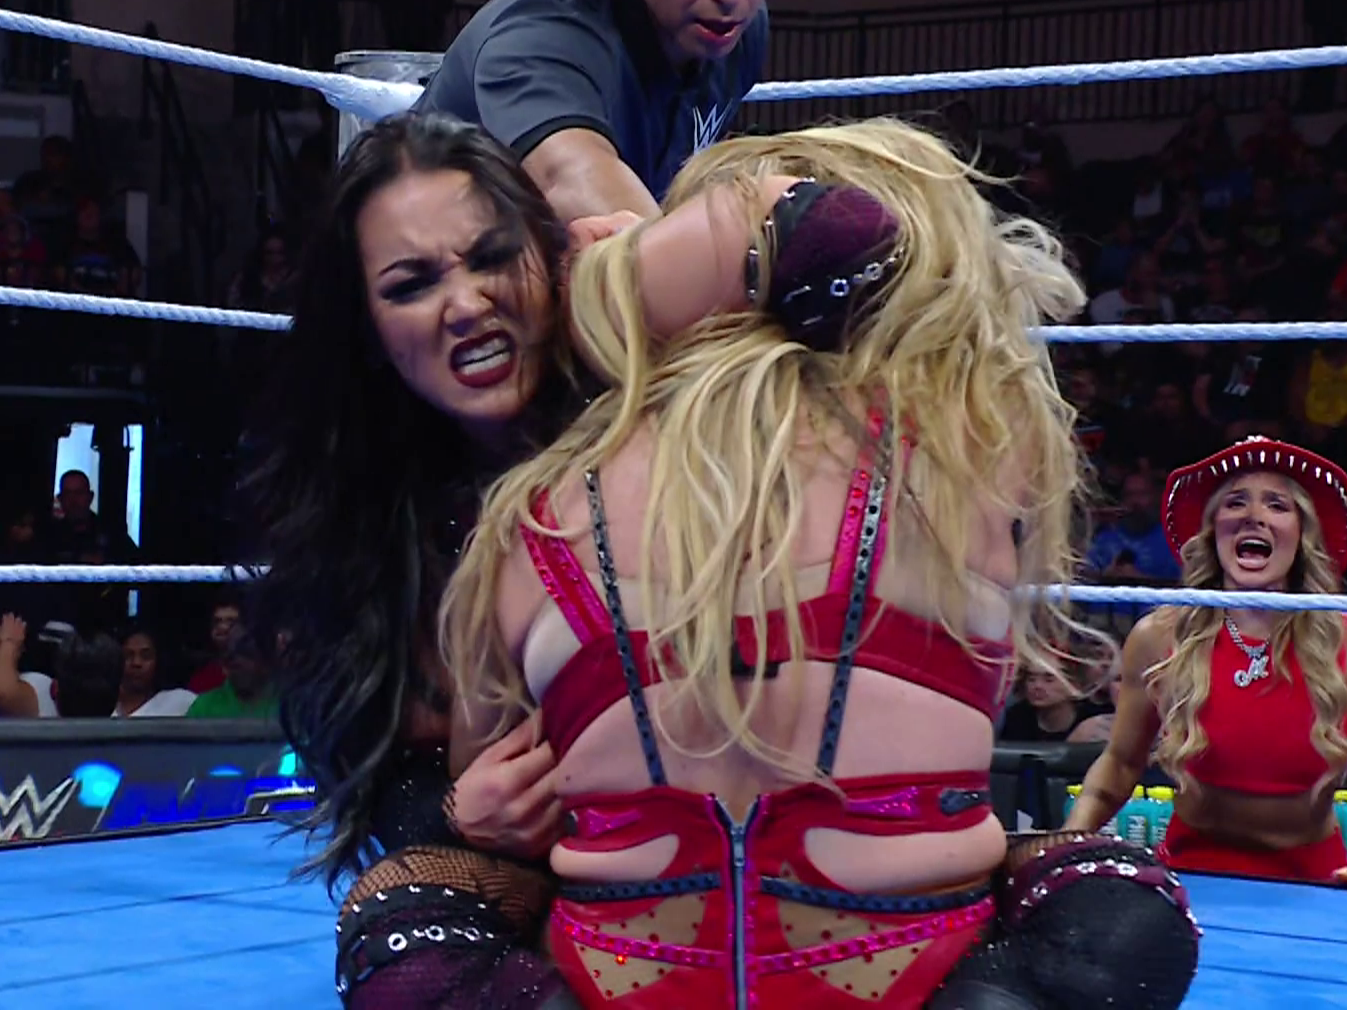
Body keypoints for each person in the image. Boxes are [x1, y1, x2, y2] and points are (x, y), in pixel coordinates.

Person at [440, 119, 1200, 1009]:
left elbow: (491, 807)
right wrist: (640, 264)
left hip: (621, 977)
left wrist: (604, 282)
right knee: (1115, 897)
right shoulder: (969, 448)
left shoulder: (535, 510)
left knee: (413, 904)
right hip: (899, 977)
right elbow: (871, 243)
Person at [238, 112, 935, 1008]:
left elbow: (861, 244)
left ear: (551, 255)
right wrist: (455, 815)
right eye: (412, 284)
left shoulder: (659, 387)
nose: (466, 304)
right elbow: (371, 762)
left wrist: (649, 267)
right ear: (367, 329)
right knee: (403, 944)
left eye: (493, 257)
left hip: (805, 822)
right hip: (584, 884)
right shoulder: (370, 526)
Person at [1067, 437, 1347, 895]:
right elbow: (1118, 765)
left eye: (1277, 504)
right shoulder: (1158, 635)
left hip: (1314, 882)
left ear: (1302, 534)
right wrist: (1067, 844)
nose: (1254, 515)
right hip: (1191, 876)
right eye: (1236, 502)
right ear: (1213, 530)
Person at [415, 0, 775, 224]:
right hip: (431, 266)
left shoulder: (736, 35)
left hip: (544, 266)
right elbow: (571, 176)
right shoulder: (546, 30)